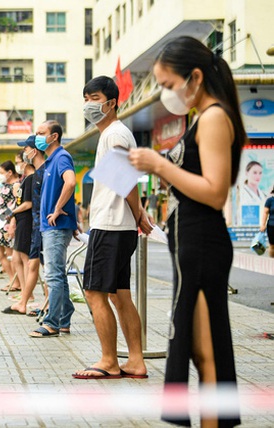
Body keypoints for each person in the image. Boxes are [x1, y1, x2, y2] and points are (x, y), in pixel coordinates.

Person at [129, 36, 246, 427]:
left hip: (203, 245)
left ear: (194, 77)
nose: (165, 93)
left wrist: (160, 166)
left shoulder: (213, 117)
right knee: (196, 348)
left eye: (167, 84)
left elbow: (215, 192)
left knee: (207, 351)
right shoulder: (201, 116)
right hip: (190, 244)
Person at [72, 76, 152, 381]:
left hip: (110, 226)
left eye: (94, 98)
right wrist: (138, 213)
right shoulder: (113, 134)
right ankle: (135, 361)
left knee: (94, 292)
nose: (89, 105)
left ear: (111, 103)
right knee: (120, 295)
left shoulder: (114, 134)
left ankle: (109, 360)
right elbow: (126, 181)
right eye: (86, 98)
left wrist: (138, 213)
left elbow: (124, 180)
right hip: (120, 226)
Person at [29, 120, 77, 338]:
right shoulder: (51, 161)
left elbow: (71, 182)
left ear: (54, 136)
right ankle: (64, 318)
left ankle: (52, 323)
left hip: (55, 226)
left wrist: (58, 209)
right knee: (58, 274)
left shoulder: (61, 157)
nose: (37, 136)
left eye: (41, 133)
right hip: (52, 226)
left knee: (54, 275)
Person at [5, 135, 46, 315]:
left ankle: (29, 298)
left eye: (21, 157)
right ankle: (25, 297)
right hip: (31, 223)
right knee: (26, 261)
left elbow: (29, 204)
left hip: (33, 224)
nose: (20, 161)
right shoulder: (28, 179)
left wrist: (11, 213)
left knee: (33, 263)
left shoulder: (35, 176)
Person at [3, 161, 34, 296]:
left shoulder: (31, 179)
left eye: (18, 162)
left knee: (25, 259)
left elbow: (28, 203)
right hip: (20, 221)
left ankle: (28, 294)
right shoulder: (24, 180)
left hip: (27, 221)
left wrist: (12, 213)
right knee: (16, 258)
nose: (18, 165)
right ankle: (24, 290)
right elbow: (18, 202)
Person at [0, 161, 20, 289]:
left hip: (8, 221)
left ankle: (16, 282)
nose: (0, 176)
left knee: (10, 254)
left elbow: (16, 204)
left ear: (10, 172)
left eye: (2, 173)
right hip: (0, 221)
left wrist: (10, 220)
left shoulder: (16, 185)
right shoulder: (4, 185)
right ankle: (12, 279)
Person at [261, 186, 274, 258]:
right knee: (272, 245)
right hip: (271, 226)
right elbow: (265, 213)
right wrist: (263, 224)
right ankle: (272, 262)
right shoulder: (269, 201)